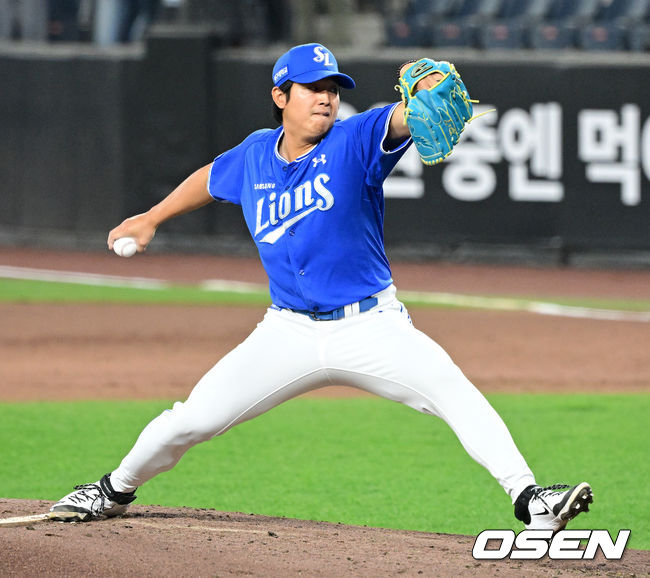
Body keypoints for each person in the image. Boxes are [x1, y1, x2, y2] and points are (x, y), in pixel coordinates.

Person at [50, 43, 593, 533]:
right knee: (192, 419)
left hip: (371, 326)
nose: (326, 97)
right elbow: (211, 178)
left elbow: (398, 120)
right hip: (286, 332)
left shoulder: (356, 139)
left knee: (452, 390)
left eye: (332, 88)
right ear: (280, 96)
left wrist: (418, 104)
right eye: (312, 88)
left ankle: (531, 499)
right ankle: (111, 491)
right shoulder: (255, 154)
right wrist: (152, 217)